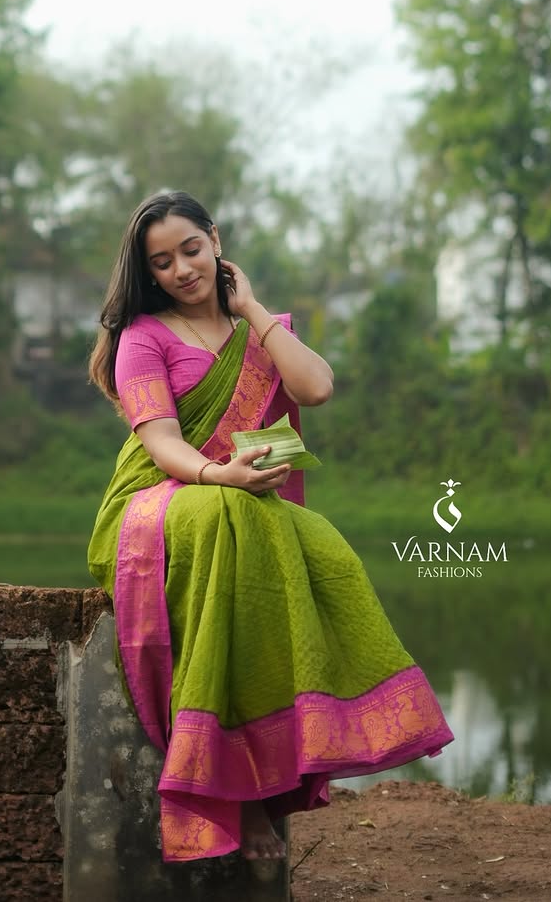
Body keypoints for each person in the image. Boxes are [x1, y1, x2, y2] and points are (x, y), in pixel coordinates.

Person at [87, 190, 453, 864]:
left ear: (216, 240)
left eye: (191, 249)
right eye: (162, 262)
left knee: (321, 542)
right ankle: (242, 795)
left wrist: (252, 309)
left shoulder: (257, 327)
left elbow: (315, 386)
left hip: (243, 496)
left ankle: (293, 754)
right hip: (160, 499)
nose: (181, 270)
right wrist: (219, 475)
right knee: (236, 515)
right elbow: (162, 442)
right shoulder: (143, 337)